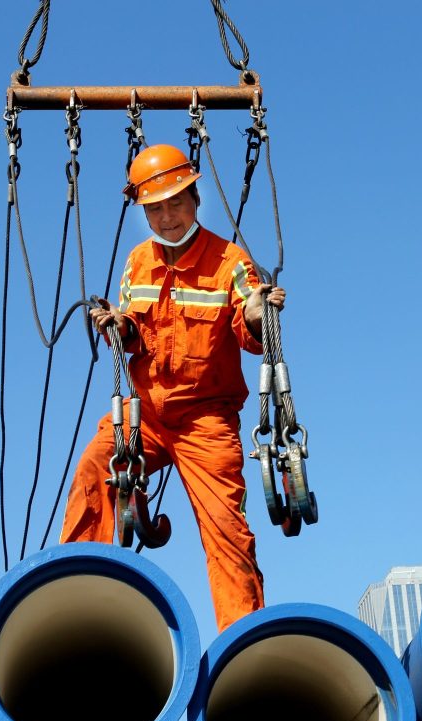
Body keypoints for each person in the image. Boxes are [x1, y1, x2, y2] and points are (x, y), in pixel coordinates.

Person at [59, 143, 286, 631]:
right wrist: (118, 328)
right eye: (155, 209)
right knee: (95, 469)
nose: (166, 217)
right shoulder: (138, 262)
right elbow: (136, 335)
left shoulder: (230, 262)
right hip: (146, 416)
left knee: (227, 529)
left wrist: (255, 310)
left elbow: (248, 323)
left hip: (206, 422)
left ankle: (243, 643)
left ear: (195, 198)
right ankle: (73, 603)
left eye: (176, 203)